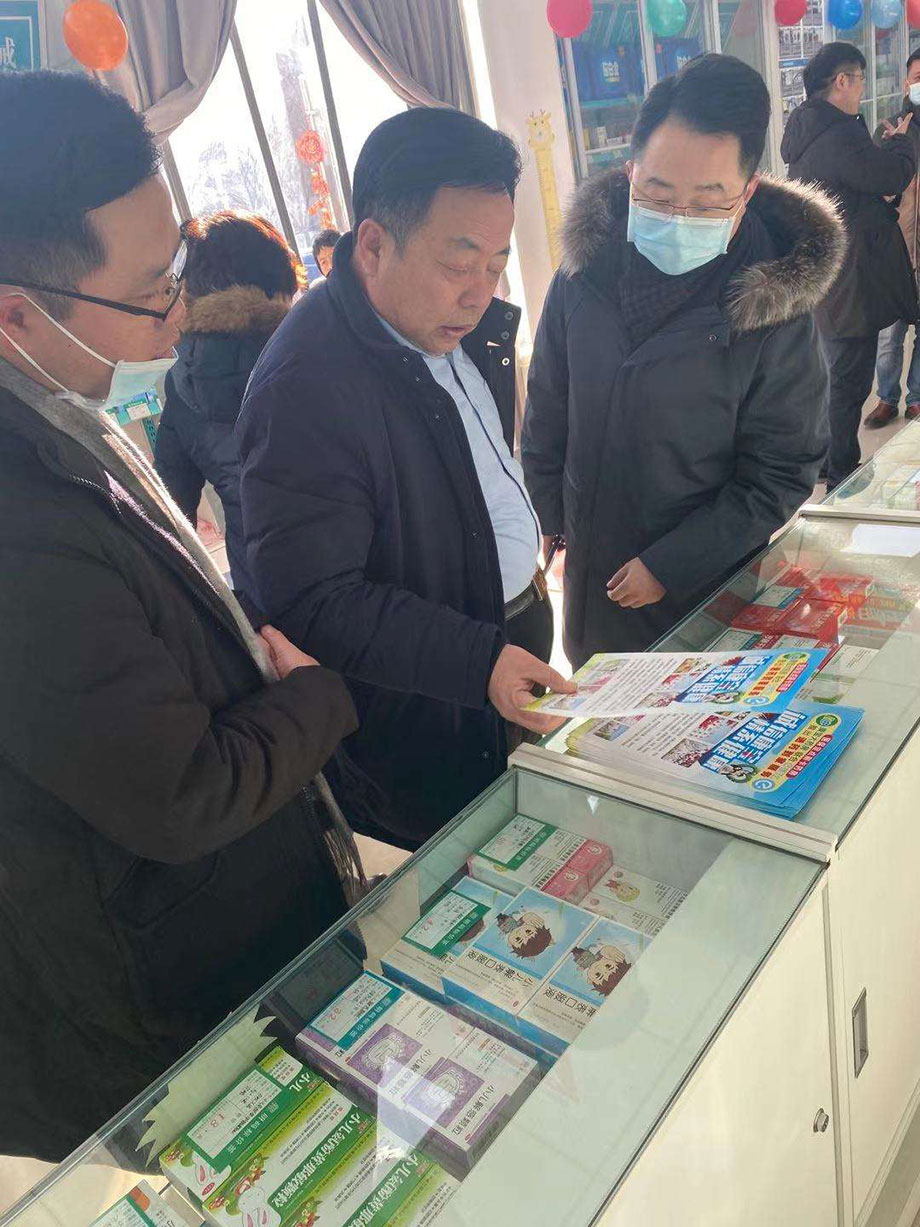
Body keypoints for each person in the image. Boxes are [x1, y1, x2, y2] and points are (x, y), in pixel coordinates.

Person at [0, 70, 358, 1161]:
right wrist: (314, 697)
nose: (177, 321)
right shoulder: (17, 533)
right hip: (156, 1003)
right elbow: (182, 791)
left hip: (213, 926)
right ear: (16, 312)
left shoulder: (56, 412)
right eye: (153, 292)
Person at [237, 108, 572, 850]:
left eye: (496, 264)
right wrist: (476, 662)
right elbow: (314, 598)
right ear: (373, 245)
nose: (480, 292)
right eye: (459, 263)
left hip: (494, 652)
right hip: (426, 703)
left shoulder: (442, 325)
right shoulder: (307, 386)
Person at [523, 54, 843, 667]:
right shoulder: (585, 271)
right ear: (630, 171)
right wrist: (547, 513)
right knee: (593, 690)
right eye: (658, 192)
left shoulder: (772, 309)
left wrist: (670, 564)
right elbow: (548, 403)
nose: (678, 217)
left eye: (707, 201)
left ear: (747, 193)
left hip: (702, 592)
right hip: (590, 572)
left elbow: (780, 471)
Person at [782, 42, 918, 487]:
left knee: (834, 375)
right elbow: (891, 175)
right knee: (847, 381)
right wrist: (902, 143)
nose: (862, 89)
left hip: (830, 271)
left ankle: (827, 461)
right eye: (859, 80)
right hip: (850, 279)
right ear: (841, 81)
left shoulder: (809, 131)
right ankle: (840, 470)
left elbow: (858, 187)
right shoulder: (838, 136)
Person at [154, 211, 304, 593]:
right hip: (369, 575)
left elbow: (170, 516)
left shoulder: (182, 382)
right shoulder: (318, 350)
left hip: (262, 590)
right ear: (279, 272)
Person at [867, 50, 920, 428]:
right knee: (890, 333)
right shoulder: (888, 128)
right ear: (905, 83)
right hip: (896, 246)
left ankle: (917, 398)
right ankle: (886, 397)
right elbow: (875, 190)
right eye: (918, 77)